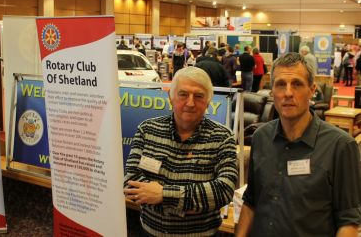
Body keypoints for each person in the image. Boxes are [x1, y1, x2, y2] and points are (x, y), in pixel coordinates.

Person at [236, 52, 361, 237]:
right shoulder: (261, 137)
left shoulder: (341, 146)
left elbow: (348, 221)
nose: (288, 93)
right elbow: (251, 201)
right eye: (280, 84)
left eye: (297, 84)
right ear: (272, 92)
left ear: (312, 90)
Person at [124, 66, 237, 236]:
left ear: (208, 101)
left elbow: (223, 190)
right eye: (183, 94)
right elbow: (130, 182)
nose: (190, 103)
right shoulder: (147, 130)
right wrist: (190, 204)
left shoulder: (223, 137)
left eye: (199, 96)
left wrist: (163, 195)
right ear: (171, 97)